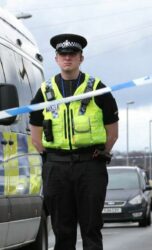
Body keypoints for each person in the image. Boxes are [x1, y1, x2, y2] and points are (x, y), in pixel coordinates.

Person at [29, 33, 119, 250]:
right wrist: (51, 159)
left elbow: (112, 133)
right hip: (56, 168)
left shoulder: (98, 88)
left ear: (81, 58)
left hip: (90, 166)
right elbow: (35, 135)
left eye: (72, 54)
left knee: (91, 228)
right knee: (62, 230)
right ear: (56, 59)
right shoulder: (45, 91)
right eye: (63, 54)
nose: (67, 58)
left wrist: (99, 154)